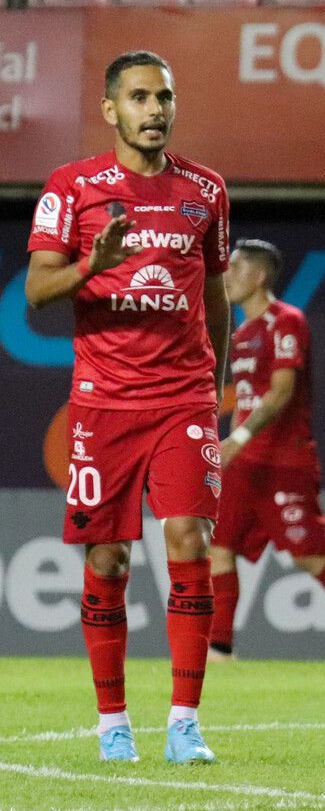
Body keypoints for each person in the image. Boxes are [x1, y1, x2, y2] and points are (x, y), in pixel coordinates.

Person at [25, 50, 230, 764]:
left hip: (184, 399)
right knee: (108, 558)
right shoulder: (72, 187)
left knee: (190, 542)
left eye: (164, 97)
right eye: (140, 97)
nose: (155, 110)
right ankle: (113, 722)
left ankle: (184, 722)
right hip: (104, 403)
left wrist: (217, 385)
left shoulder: (206, 189)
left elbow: (214, 292)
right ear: (111, 109)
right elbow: (36, 292)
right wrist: (94, 266)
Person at [209, 239, 325, 664]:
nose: (228, 276)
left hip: (284, 461)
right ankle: (219, 651)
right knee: (219, 547)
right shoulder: (240, 335)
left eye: (235, 268)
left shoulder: (286, 322)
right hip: (245, 465)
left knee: (307, 556)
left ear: (257, 277)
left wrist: (236, 440)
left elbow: (280, 395)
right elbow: (249, 400)